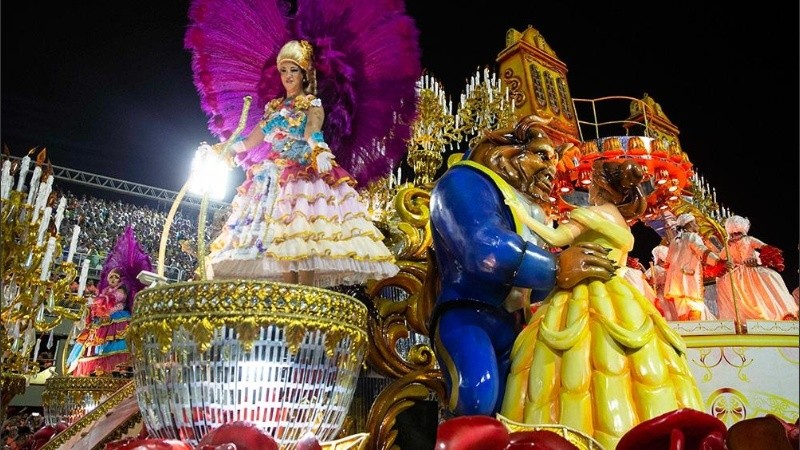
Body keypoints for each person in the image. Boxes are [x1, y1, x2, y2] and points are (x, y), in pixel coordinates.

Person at [500, 159, 704, 450]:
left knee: (565, 363)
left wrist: (521, 214)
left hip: (580, 293)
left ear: (598, 187)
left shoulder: (591, 214)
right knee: (636, 362)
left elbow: (556, 237)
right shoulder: (622, 223)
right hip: (621, 297)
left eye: (591, 186)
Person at [426, 115, 617, 417]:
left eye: (554, 161)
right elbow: (485, 249)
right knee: (478, 396)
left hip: (517, 324)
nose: (551, 169)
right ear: (506, 151)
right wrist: (556, 267)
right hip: (468, 314)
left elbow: (532, 288)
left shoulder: (526, 206)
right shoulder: (463, 182)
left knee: (532, 405)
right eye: (542, 155)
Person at [206, 40, 398, 288]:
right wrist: (227, 148)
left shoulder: (311, 104)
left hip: (304, 176)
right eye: (283, 70)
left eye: (293, 70)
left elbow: (311, 131)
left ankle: (305, 294)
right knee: (282, 237)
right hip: (276, 179)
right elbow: (251, 140)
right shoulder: (274, 108)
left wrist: (319, 150)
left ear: (304, 74)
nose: (288, 76)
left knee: (306, 234)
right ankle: (291, 295)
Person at [66, 226, 151, 376]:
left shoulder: (121, 290)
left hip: (117, 319)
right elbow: (100, 303)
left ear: (120, 279)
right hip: (101, 320)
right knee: (93, 348)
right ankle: (99, 372)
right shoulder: (105, 291)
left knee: (115, 347)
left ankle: (115, 372)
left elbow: (113, 299)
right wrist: (93, 306)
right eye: (110, 277)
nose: (112, 279)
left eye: (115, 277)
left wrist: (99, 302)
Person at [715, 215, 799, 321]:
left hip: (742, 273)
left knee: (751, 290)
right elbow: (764, 246)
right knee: (768, 281)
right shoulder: (745, 240)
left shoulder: (731, 244)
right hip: (748, 271)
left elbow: (718, 259)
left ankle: (757, 317)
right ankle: (776, 314)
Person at [663, 213, 721, 320]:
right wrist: (718, 261)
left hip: (675, 283)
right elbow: (702, 250)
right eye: (694, 223)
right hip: (689, 280)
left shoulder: (674, 241)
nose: (697, 225)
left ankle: (686, 329)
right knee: (695, 305)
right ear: (689, 224)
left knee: (682, 309)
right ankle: (696, 328)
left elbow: (667, 262)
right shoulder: (692, 236)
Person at [645, 244, 678, 320]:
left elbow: (643, 279)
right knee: (669, 314)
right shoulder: (668, 269)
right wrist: (651, 282)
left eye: (654, 256)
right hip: (667, 294)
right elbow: (645, 279)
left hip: (666, 294)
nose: (653, 259)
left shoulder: (658, 269)